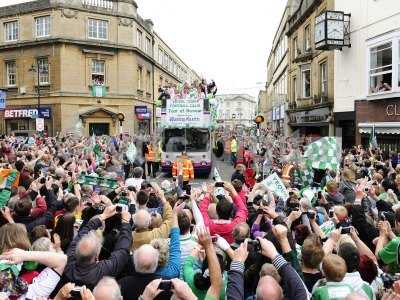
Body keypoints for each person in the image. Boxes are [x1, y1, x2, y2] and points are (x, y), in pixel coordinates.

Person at [54, 205, 133, 291]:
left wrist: (103, 216)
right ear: (97, 255)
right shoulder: (102, 271)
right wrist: (125, 222)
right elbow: (122, 251)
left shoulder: (68, 259)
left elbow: (83, 233)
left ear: (75, 250)